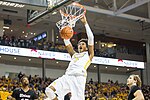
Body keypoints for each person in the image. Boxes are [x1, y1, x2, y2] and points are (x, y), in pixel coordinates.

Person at [45, 15, 94, 100]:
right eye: (79, 44)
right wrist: (65, 28)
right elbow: (67, 42)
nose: (80, 45)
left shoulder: (89, 55)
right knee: (49, 90)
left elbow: (91, 38)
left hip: (79, 79)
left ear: (86, 47)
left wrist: (85, 23)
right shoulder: (74, 54)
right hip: (67, 77)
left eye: (82, 44)